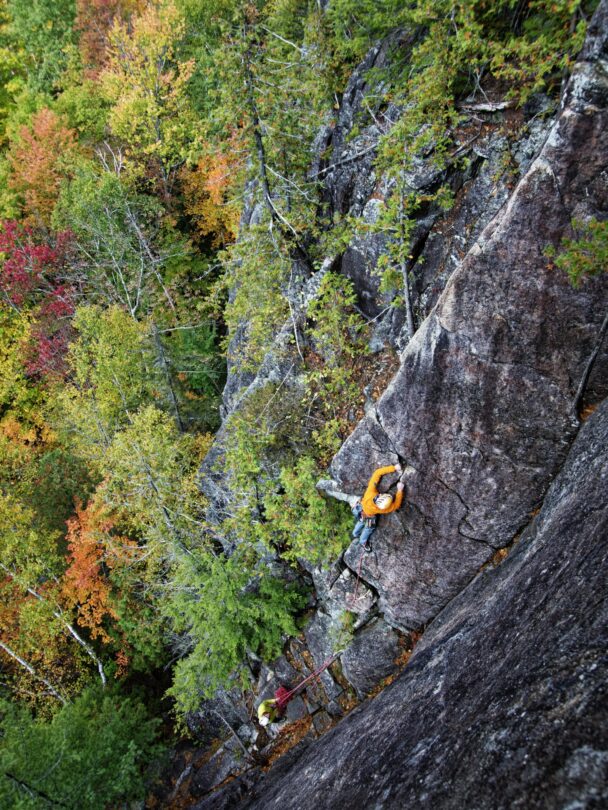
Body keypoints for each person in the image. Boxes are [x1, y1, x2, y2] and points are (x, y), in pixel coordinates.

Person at [352, 464, 404, 553]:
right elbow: (396, 505)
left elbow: (377, 473)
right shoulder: (382, 509)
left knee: (361, 521)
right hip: (369, 515)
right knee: (369, 528)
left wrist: (394, 468)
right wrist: (399, 491)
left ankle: (355, 533)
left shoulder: (370, 492)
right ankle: (362, 542)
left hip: (358, 508)